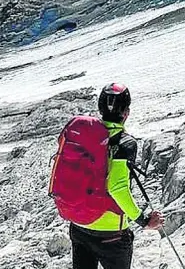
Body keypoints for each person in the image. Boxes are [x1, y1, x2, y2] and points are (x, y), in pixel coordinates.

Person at [68, 83, 165, 269]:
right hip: (110, 234)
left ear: (100, 109)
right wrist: (143, 221)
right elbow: (117, 187)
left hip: (79, 224)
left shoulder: (85, 136)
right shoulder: (124, 143)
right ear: (126, 113)